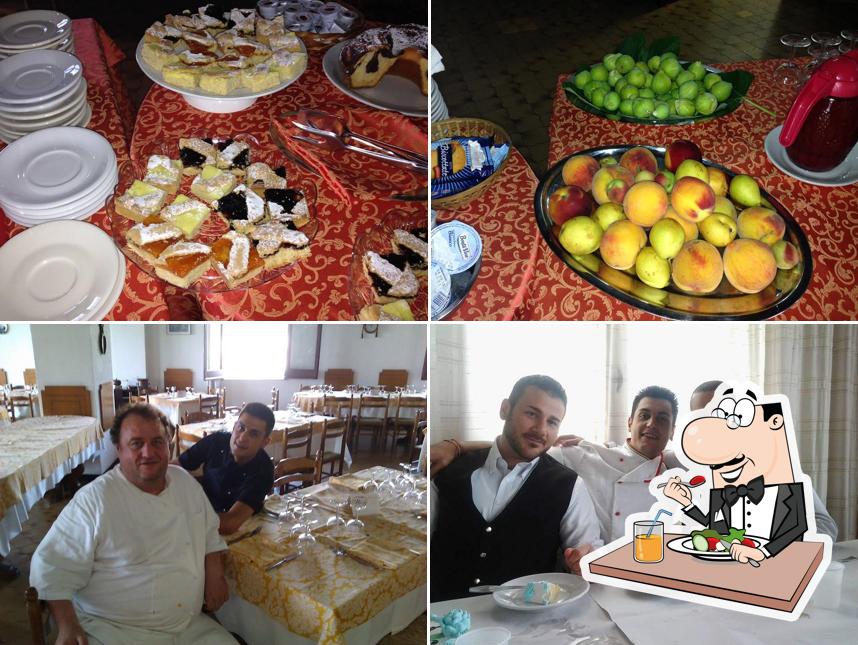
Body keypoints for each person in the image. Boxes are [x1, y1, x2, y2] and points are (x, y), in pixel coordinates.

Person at [30, 403, 236, 645]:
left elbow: (209, 531)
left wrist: (215, 573)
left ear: (168, 444)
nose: (148, 453)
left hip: (187, 626)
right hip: (115, 629)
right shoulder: (95, 500)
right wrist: (67, 625)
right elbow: (50, 566)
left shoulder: (185, 483)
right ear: (119, 449)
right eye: (136, 444)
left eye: (157, 442)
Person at [430, 385, 683, 543]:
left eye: (662, 419)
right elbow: (521, 446)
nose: (651, 424)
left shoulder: (678, 473)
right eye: (644, 415)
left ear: (672, 431)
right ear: (630, 422)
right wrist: (456, 446)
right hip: (592, 574)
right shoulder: (588, 455)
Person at [430, 375, 601, 602]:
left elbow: (590, 555)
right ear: (505, 409)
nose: (541, 430)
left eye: (552, 422)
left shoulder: (569, 485)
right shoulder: (449, 470)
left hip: (524, 622)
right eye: (531, 414)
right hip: (439, 614)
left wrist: (583, 563)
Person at [663, 384, 809, 563]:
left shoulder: (784, 474)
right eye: (703, 417)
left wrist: (766, 553)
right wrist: (686, 503)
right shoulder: (697, 470)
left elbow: (806, 525)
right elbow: (714, 526)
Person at [689, 380, 838, 541]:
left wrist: (771, 546)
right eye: (701, 417)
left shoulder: (776, 463)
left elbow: (825, 526)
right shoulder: (685, 471)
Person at [179, 402, 275, 535]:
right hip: (200, 517)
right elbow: (175, 465)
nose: (242, 437)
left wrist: (181, 518)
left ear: (264, 442)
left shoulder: (264, 470)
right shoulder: (216, 441)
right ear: (234, 425)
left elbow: (230, 523)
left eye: (253, 434)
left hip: (241, 532)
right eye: (241, 427)